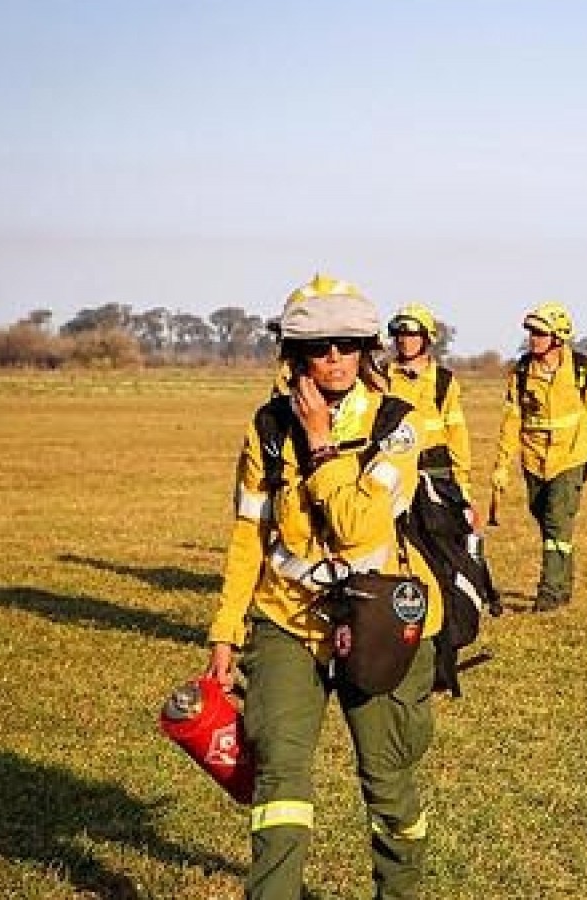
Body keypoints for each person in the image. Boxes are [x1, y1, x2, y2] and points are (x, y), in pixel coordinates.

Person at [205, 274, 442, 899]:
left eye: (348, 343)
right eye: (318, 345)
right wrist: (226, 629)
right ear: (294, 354)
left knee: (388, 783)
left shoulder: (399, 425)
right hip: (287, 620)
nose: (334, 356)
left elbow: (360, 530)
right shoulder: (265, 427)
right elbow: (248, 534)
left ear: (366, 349)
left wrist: (319, 444)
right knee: (278, 782)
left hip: (380, 623)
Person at [489, 301, 587, 612]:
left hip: (572, 456)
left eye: (540, 333)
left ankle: (549, 593)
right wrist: (501, 465)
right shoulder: (521, 372)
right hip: (534, 460)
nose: (533, 338)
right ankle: (563, 587)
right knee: (546, 521)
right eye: (531, 332)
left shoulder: (581, 368)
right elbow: (512, 420)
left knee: (557, 522)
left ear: (558, 337)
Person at [383, 303, 474, 516]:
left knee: (439, 531)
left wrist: (462, 484)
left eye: (412, 335)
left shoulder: (443, 381)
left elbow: (457, 435)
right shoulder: (381, 378)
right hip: (393, 469)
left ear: (426, 338)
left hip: (435, 470)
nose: (404, 341)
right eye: (399, 335)